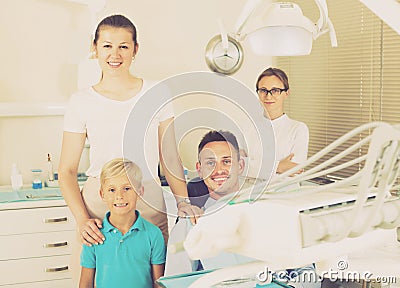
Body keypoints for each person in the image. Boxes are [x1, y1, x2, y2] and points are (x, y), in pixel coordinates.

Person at [58, 14, 202, 285]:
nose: (115, 54)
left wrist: (183, 202)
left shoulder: (157, 93)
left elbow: (169, 157)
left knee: (153, 280)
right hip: (99, 205)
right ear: (95, 48)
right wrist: (81, 219)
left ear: (135, 49)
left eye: (124, 46)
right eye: (107, 45)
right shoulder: (81, 101)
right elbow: (66, 171)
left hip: (148, 201)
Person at [79, 158, 165, 288]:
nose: (119, 196)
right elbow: (85, 284)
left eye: (127, 188)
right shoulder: (94, 235)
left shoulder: (153, 234)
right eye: (112, 190)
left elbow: (158, 284)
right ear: (102, 194)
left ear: (140, 192)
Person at [256, 67, 309, 180]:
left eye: (275, 90)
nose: (268, 96)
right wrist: (278, 166)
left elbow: (295, 171)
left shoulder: (298, 129)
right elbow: (238, 167)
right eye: (263, 90)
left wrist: (254, 166)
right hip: (249, 195)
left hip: (285, 195)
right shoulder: (247, 128)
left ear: (286, 93)